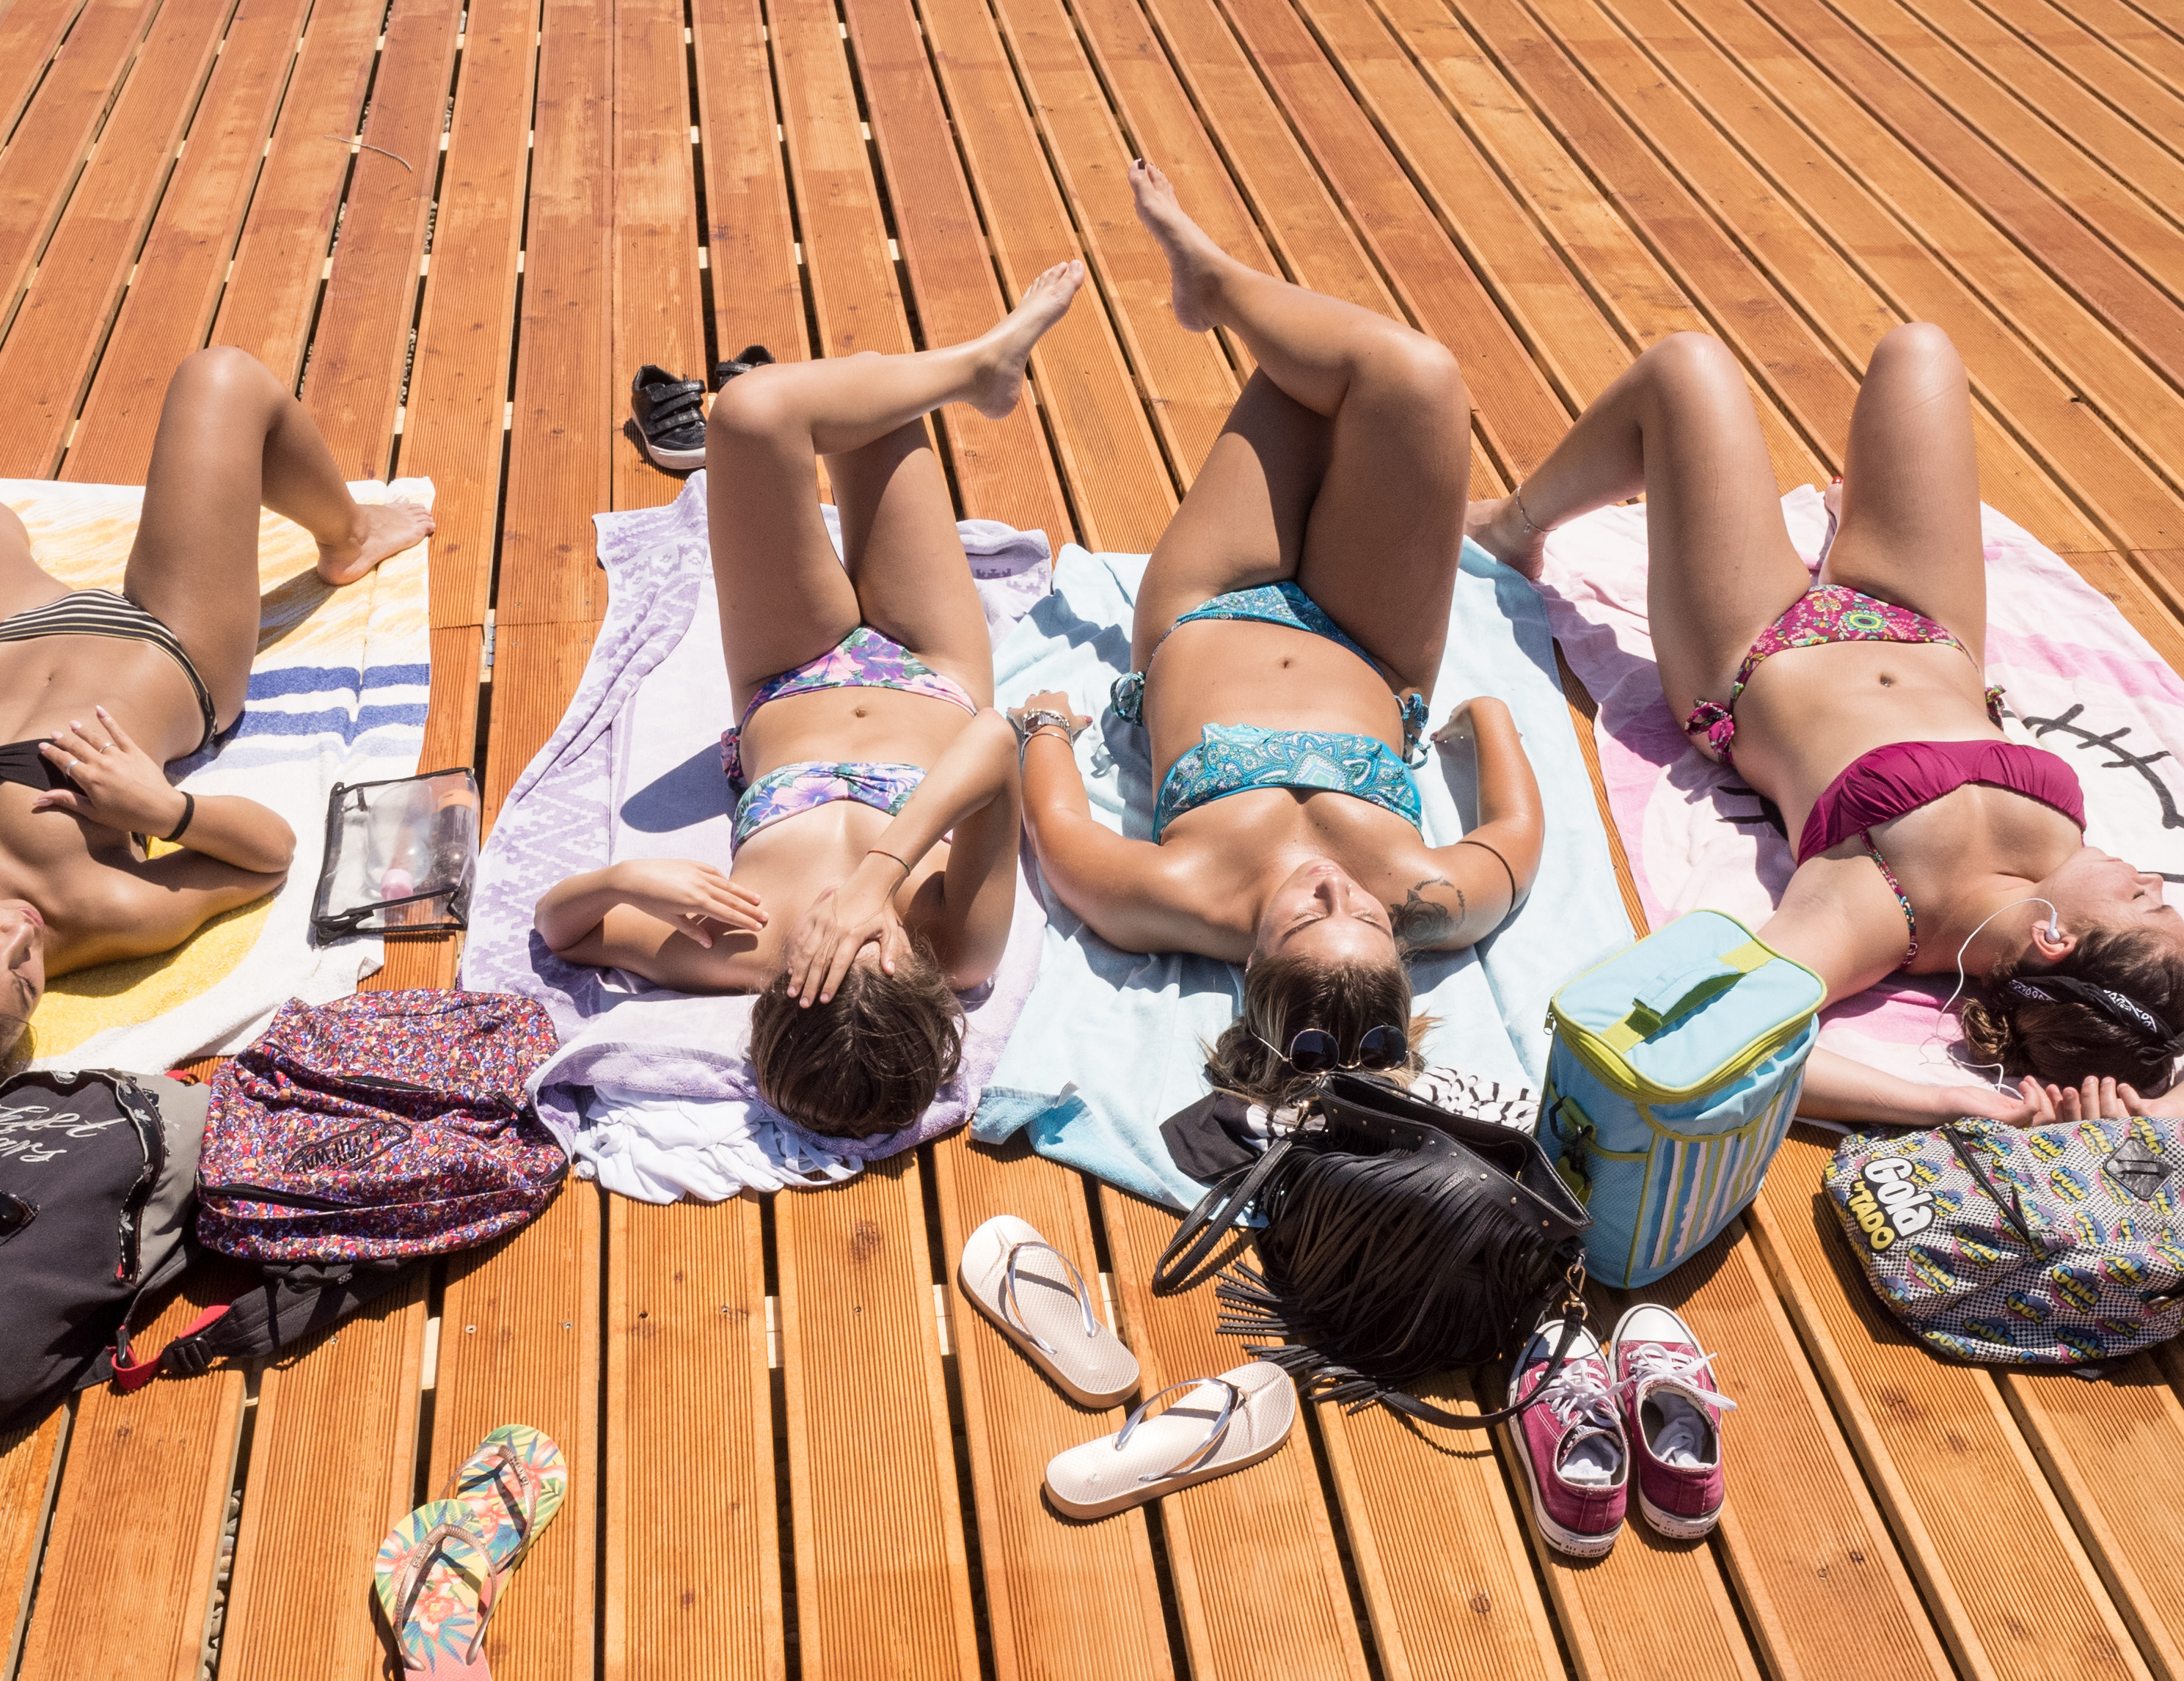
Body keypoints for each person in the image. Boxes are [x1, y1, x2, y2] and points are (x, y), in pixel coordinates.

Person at [1466, 323, 2184, 1127]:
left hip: (1755, 648)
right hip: (1926, 622)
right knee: (1920, 351)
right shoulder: (2061, 867)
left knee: (1686, 369)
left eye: (2144, 901)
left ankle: (1509, 529)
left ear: (2054, 939)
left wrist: (1944, 1101)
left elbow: (1710, 1042)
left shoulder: (1879, 910)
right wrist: (2155, 1103)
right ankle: (1849, 524)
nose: (2155, 883)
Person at [0, 350, 431, 1188]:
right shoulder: (100, 911)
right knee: (222, 378)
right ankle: (350, 535)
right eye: (26, 984)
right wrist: (166, 811)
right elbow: (270, 855)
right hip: (171, 639)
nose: (21, 934)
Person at [1012, 164, 1544, 1105]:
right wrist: (1489, 720)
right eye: (1368, 922)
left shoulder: (1176, 899)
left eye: (1308, 918)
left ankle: (1219, 289)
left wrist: (1048, 727)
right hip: (1372, 638)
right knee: (1417, 379)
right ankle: (1217, 288)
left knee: (1306, 384)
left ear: (1256, 962)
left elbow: (1060, 834)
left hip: (1207, 605)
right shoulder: (1436, 900)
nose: (1336, 887)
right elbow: (1517, 833)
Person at [532, 267, 1084, 1139]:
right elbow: (990, 739)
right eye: (881, 954)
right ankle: (979, 372)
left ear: (790, 985)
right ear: (918, 983)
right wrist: (879, 879)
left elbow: (561, 930)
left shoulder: (740, 945)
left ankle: (977, 372)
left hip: (787, 671)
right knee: (875, 402)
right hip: (930, 663)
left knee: (749, 412)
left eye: (829, 962)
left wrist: (627, 880)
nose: (852, 932)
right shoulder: (960, 948)